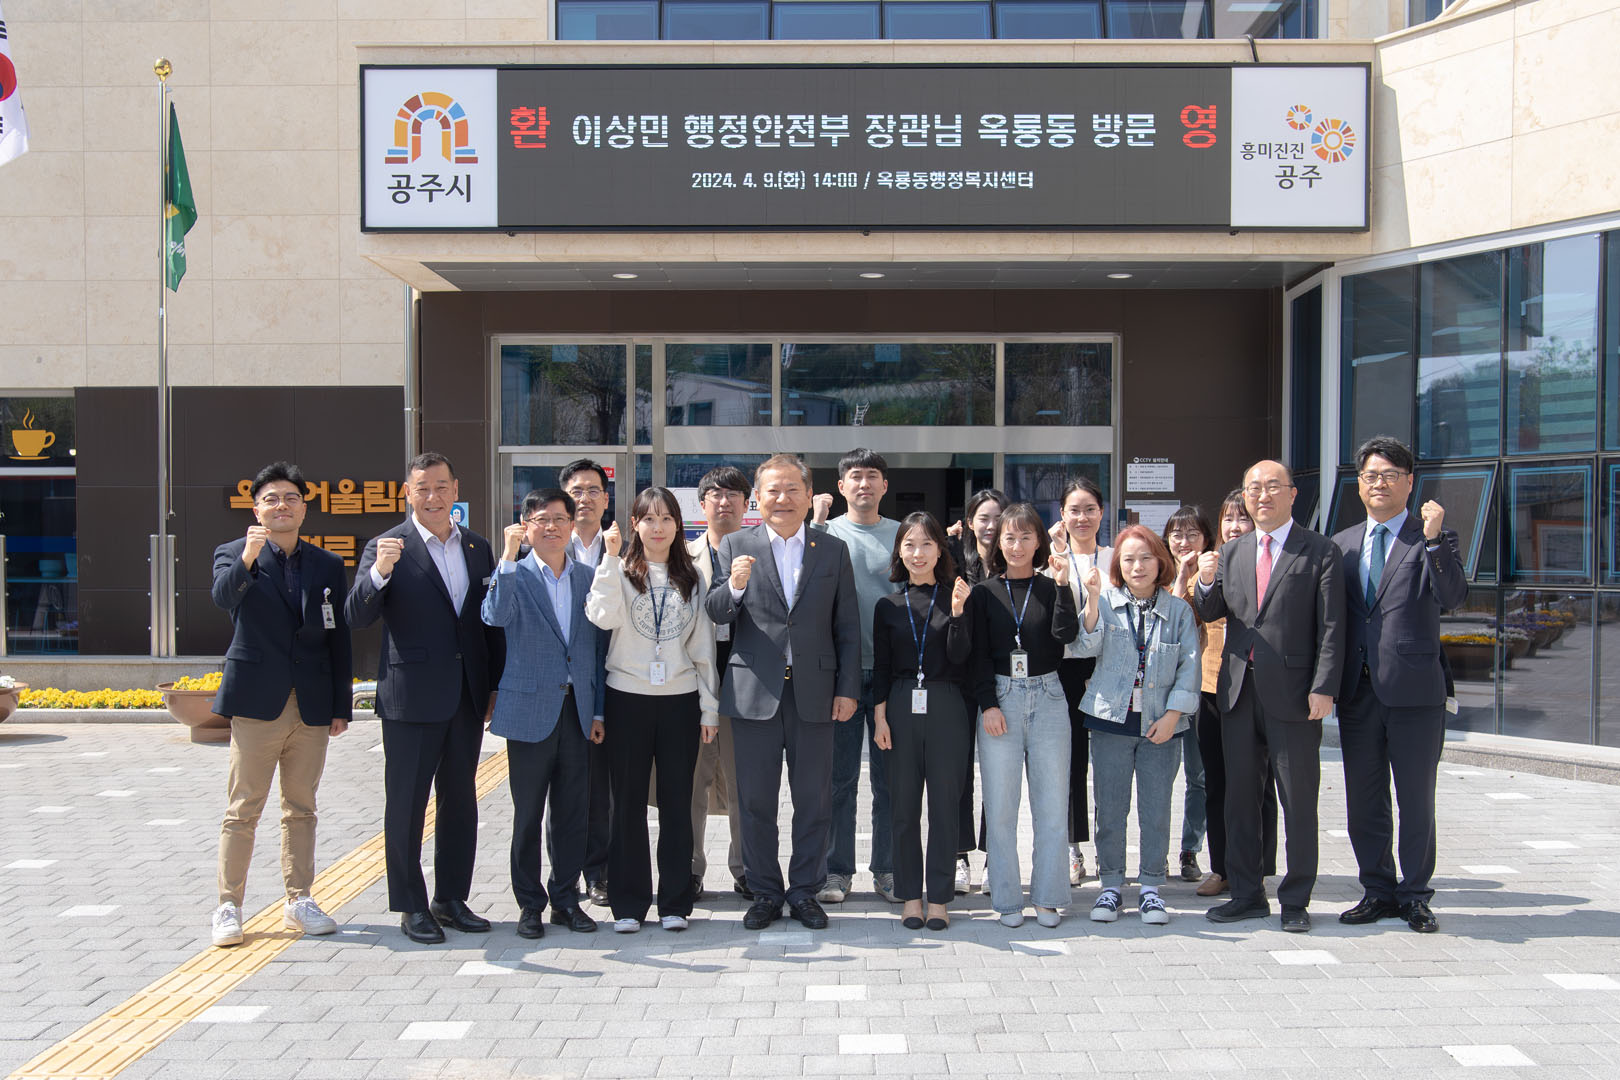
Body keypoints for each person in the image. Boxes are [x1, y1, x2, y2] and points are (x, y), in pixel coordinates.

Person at [346, 452, 505, 945]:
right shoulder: (388, 546)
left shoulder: (476, 547)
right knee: (407, 804)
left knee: (460, 800)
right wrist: (380, 572)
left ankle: (451, 899)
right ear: (407, 494)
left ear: (456, 489)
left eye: (441, 487)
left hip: (465, 696)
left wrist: (493, 685)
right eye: (422, 489)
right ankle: (411, 905)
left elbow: (489, 623)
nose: (433, 497)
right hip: (411, 698)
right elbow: (356, 615)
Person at [705, 455, 862, 931]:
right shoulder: (737, 544)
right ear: (758, 498)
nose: (783, 498)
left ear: (808, 495)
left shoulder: (831, 549)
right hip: (754, 691)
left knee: (814, 800)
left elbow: (847, 626)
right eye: (773, 490)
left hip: (816, 692)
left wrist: (847, 689)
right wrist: (734, 587)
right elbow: (716, 611)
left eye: (793, 489)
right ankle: (766, 893)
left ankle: (805, 891)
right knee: (755, 801)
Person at [1196, 460, 1344, 933]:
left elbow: (1332, 626)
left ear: (1292, 494)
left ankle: (1296, 899)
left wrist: (1324, 687)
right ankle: (1247, 893)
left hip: (1296, 697)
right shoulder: (1232, 551)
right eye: (1254, 488)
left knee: (1297, 802)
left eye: (1272, 486)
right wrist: (1204, 580)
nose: (1262, 495)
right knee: (1240, 799)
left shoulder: (1319, 550)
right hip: (1238, 692)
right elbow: (1212, 610)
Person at [208, 461, 351, 948]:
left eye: (291, 498)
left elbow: (338, 637)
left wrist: (340, 704)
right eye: (271, 499)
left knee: (301, 807)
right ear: (256, 509)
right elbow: (223, 599)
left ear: (303, 508)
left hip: (310, 704)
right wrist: (249, 557)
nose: (281, 506)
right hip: (257, 702)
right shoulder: (233, 554)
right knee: (243, 807)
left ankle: (299, 899)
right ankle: (229, 905)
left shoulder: (326, 564)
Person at [1332, 436, 1465, 934]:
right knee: (1364, 800)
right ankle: (1377, 890)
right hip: (1358, 692)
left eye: (1390, 475)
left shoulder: (1431, 538)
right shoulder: (1342, 544)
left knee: (1416, 800)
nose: (1380, 484)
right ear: (1359, 484)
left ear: (1410, 483)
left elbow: (1452, 596)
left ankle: (1415, 895)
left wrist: (1433, 539)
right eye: (1371, 475)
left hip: (1414, 693)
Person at [587, 487, 720, 933]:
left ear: (678, 526)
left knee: (677, 803)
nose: (657, 528)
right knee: (626, 803)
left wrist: (709, 709)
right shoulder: (620, 571)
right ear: (635, 524)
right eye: (648, 519)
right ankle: (628, 903)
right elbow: (601, 617)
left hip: (680, 700)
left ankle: (675, 903)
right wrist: (609, 560)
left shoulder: (692, 578)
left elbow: (702, 649)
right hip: (627, 698)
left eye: (666, 519)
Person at [481, 489, 606, 939]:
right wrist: (507, 557)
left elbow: (598, 651)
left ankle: (566, 900)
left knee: (572, 813)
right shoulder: (514, 574)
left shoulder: (589, 577)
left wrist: (599, 711)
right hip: (530, 710)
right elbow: (494, 617)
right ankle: (529, 904)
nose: (551, 527)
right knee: (528, 815)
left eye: (559, 519)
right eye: (540, 519)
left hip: (577, 710)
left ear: (572, 525)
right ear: (525, 526)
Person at [1074, 526, 1201, 927]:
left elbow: (1189, 668)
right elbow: (1083, 646)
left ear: (1160, 562)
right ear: (1118, 565)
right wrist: (1092, 600)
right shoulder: (1106, 602)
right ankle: (1110, 885)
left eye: (1146, 558)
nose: (1138, 566)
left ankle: (1150, 888)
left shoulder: (1178, 610)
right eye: (1128, 559)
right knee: (1110, 807)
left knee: (1156, 808)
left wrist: (1173, 716)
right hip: (1111, 720)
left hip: (1161, 724)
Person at [971, 502, 1078, 928]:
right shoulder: (984, 592)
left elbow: (1066, 635)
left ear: (1039, 543)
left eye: (1025, 537)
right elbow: (978, 654)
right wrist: (988, 704)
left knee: (1051, 806)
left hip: (1049, 696)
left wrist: (1065, 586)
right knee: (1000, 808)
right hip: (1001, 696)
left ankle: (1049, 897)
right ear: (998, 542)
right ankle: (1007, 899)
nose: (1017, 546)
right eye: (1009, 537)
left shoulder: (1052, 587)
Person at [871, 513, 973, 931]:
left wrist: (959, 613)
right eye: (909, 545)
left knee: (945, 807)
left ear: (940, 550)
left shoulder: (957, 597)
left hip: (947, 704)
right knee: (903, 807)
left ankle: (941, 899)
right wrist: (879, 717)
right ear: (899, 551)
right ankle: (911, 897)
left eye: (927, 544)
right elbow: (880, 667)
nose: (918, 553)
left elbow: (962, 659)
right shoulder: (887, 606)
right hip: (899, 705)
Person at [811, 448, 901, 905]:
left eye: (872, 476)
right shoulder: (824, 534)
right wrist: (815, 521)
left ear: (885, 485)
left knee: (890, 782)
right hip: (842, 675)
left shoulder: (904, 535)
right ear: (841, 485)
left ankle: (888, 870)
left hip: (892, 676)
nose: (864, 484)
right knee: (839, 781)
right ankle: (836, 872)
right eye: (855, 476)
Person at [1193, 491, 1280, 897]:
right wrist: (1202, 575)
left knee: (1260, 781)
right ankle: (1222, 866)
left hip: (1258, 684)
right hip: (1213, 686)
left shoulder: (1267, 562)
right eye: (1228, 519)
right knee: (1218, 781)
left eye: (1242, 518)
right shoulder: (1212, 563)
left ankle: (1258, 866)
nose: (1234, 526)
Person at [686, 465, 752, 901]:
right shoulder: (682, 555)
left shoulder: (759, 552)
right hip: (694, 684)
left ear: (747, 504)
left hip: (745, 683)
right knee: (692, 782)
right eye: (715, 494)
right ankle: (690, 868)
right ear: (702, 503)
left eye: (733, 495)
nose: (724, 501)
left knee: (745, 784)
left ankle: (745, 868)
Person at [1047, 477, 1113, 887]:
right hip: (1067, 670)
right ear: (1062, 515)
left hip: (1110, 669)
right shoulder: (1053, 559)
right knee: (1070, 762)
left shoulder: (1116, 557)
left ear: (1101, 513)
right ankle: (1072, 849)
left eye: (1090, 509)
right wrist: (1056, 552)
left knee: (1109, 763)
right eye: (1075, 510)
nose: (1082, 517)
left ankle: (1110, 848)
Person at [560, 458, 615, 909]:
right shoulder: (541, 547)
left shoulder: (622, 549)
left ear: (606, 499)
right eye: (576, 491)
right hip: (559, 689)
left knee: (601, 790)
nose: (585, 498)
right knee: (560, 790)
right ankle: (563, 877)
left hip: (609, 683)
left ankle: (599, 873)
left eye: (593, 490)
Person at [945, 488, 1006, 893]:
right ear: (969, 522)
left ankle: (995, 857)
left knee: (998, 772)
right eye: (983, 518)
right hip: (958, 679)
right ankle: (959, 856)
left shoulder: (1013, 562)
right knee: (958, 772)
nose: (991, 526)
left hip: (1002, 679)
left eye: (998, 517)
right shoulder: (954, 562)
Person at [1163, 505, 1215, 884]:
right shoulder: (1158, 576)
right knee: (1161, 778)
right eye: (1177, 534)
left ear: (1206, 539)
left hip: (1202, 690)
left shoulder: (1215, 577)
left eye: (1192, 534)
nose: (1184, 541)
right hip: (1165, 695)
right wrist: (1181, 577)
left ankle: (1189, 850)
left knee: (1198, 776)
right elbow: (1172, 621)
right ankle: (1156, 852)